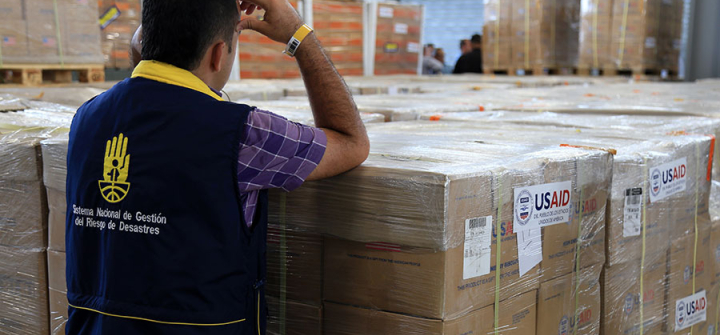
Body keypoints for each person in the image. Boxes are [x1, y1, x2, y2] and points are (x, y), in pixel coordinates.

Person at [65, 0, 369, 334]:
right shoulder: (245, 133)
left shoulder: (87, 118)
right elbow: (351, 141)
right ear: (218, 53)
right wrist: (300, 36)